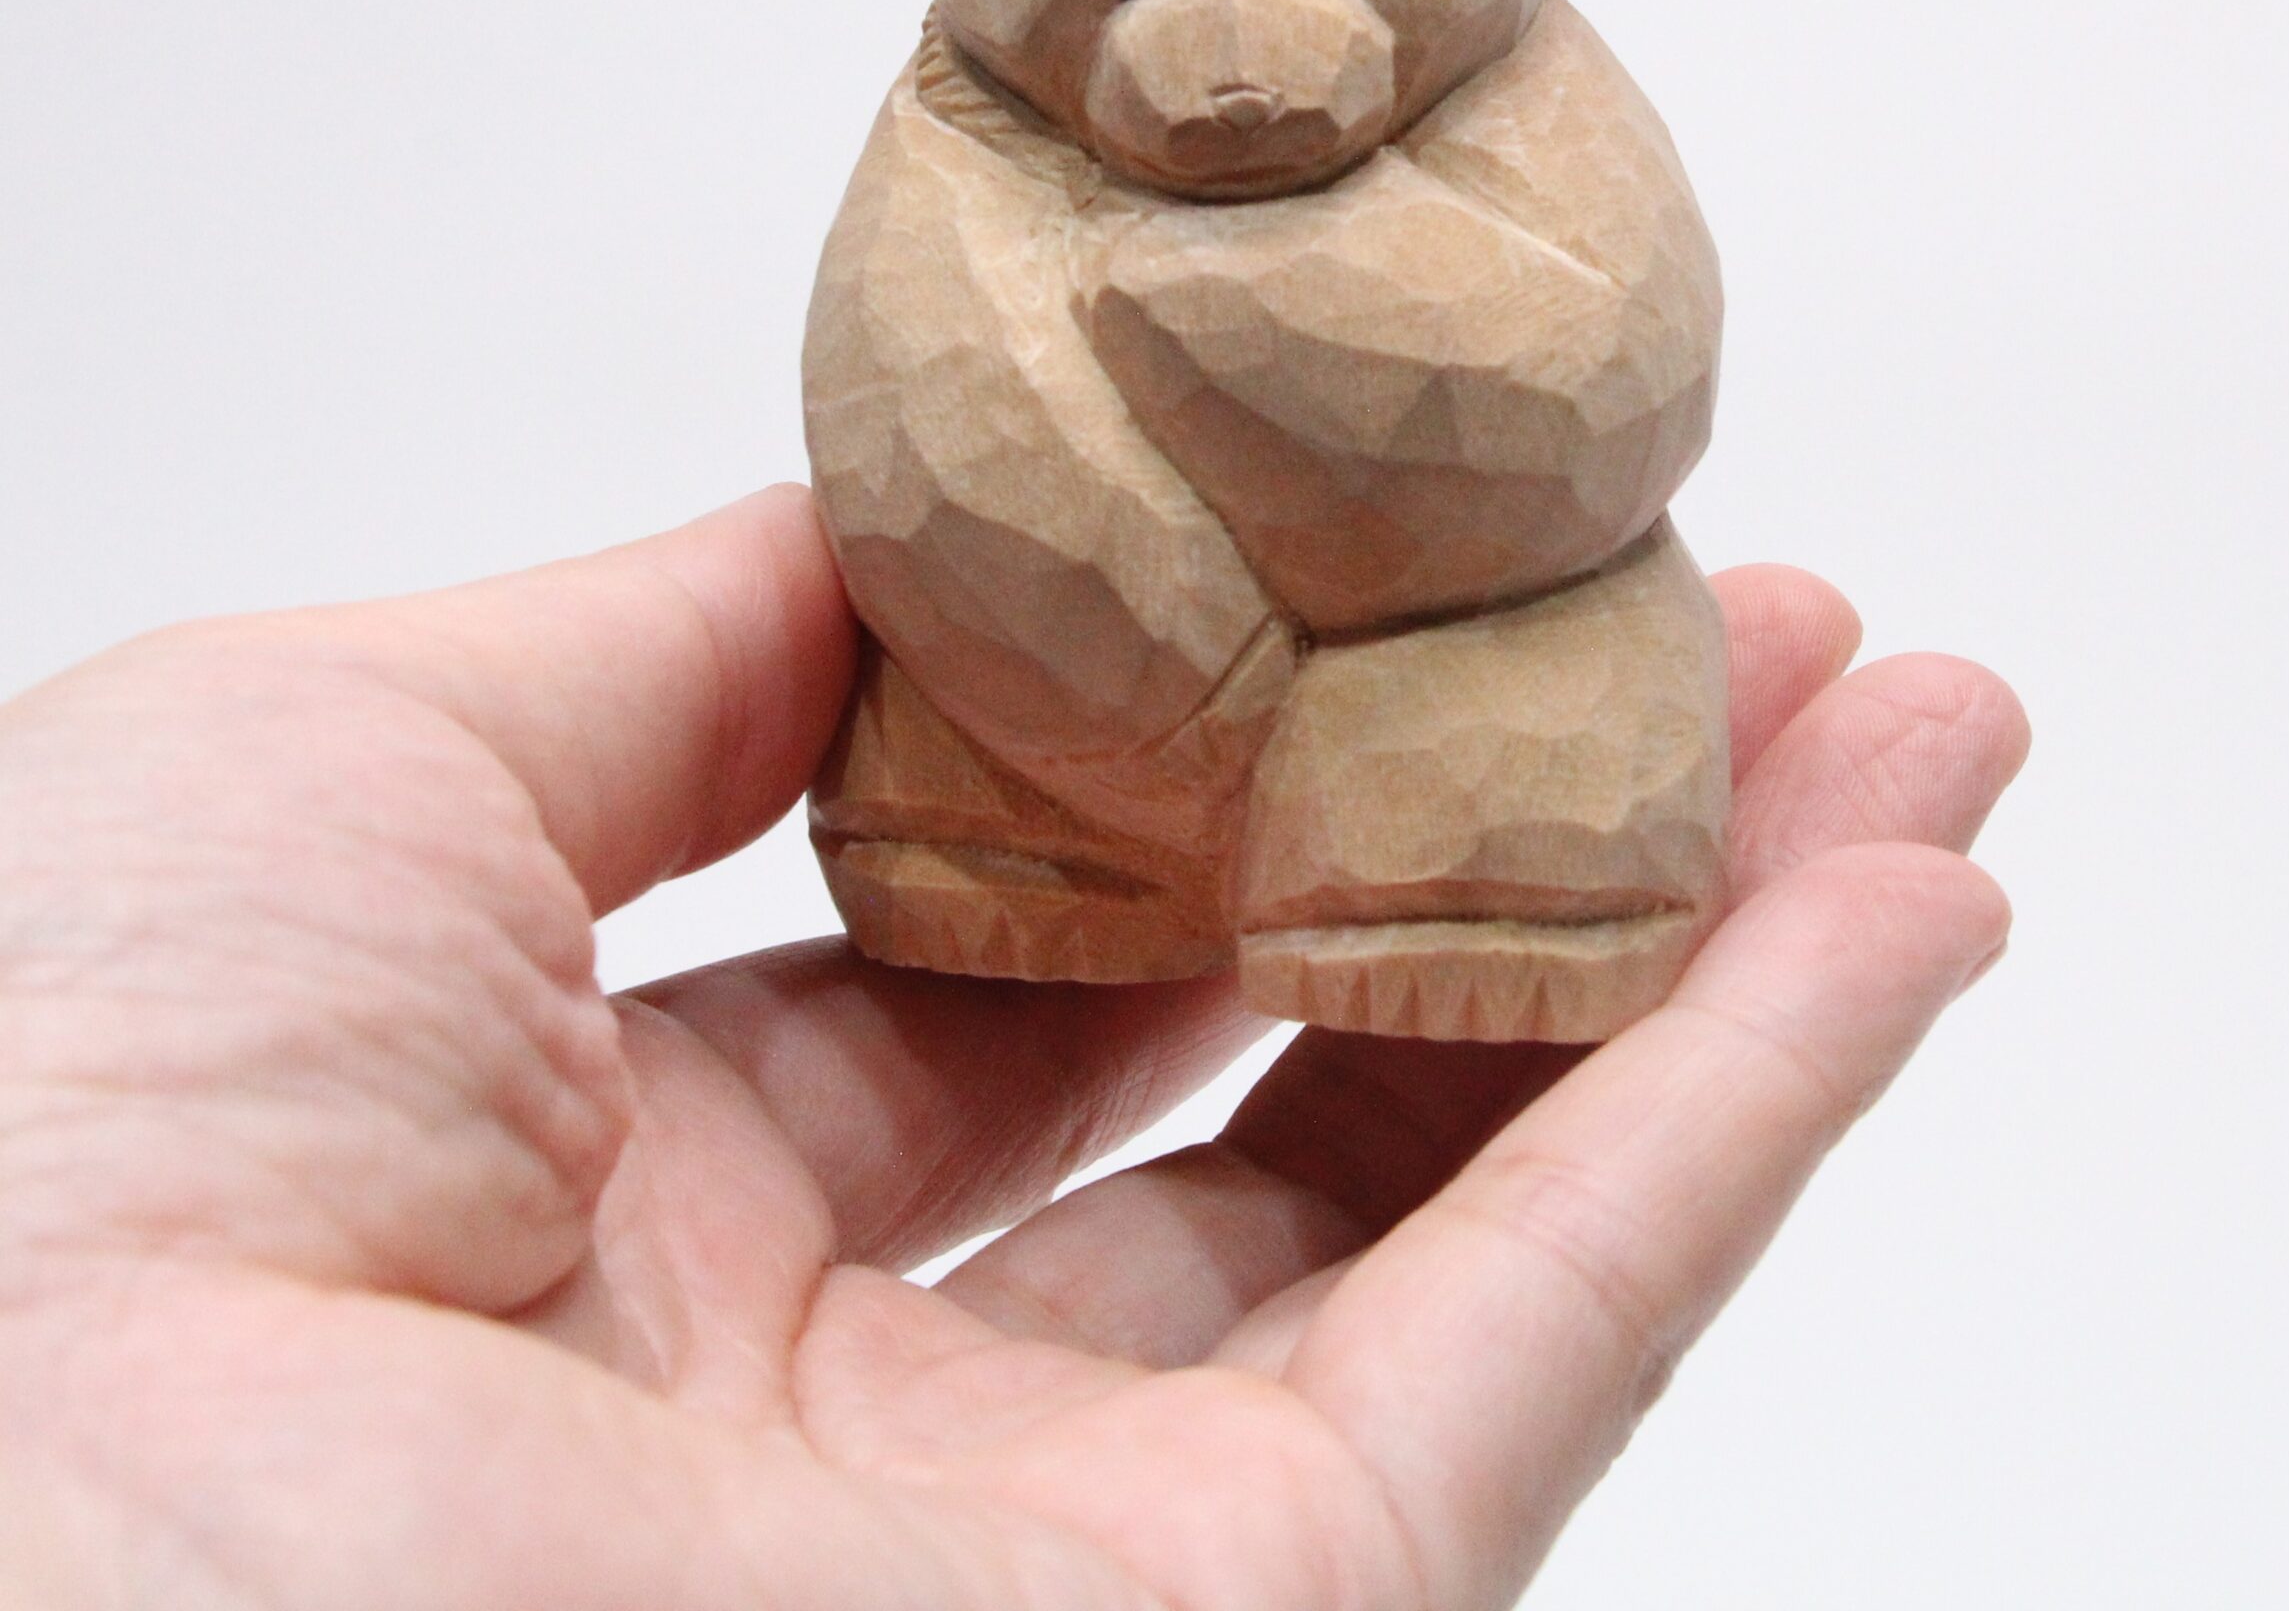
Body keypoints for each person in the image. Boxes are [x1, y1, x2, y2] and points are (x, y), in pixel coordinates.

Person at [0, 484, 2027, 1608]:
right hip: (1034, 768)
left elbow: (1588, 402)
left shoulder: (1544, 121)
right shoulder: (956, 146)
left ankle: (1511, 865)